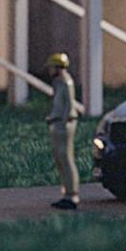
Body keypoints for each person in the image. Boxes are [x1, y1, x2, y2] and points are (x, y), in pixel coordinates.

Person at [46, 52, 82, 210]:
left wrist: (61, 119)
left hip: (64, 124)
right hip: (58, 122)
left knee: (66, 158)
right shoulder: (59, 82)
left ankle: (72, 194)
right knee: (61, 159)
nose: (49, 70)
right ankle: (66, 192)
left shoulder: (65, 83)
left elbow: (67, 106)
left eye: (51, 67)